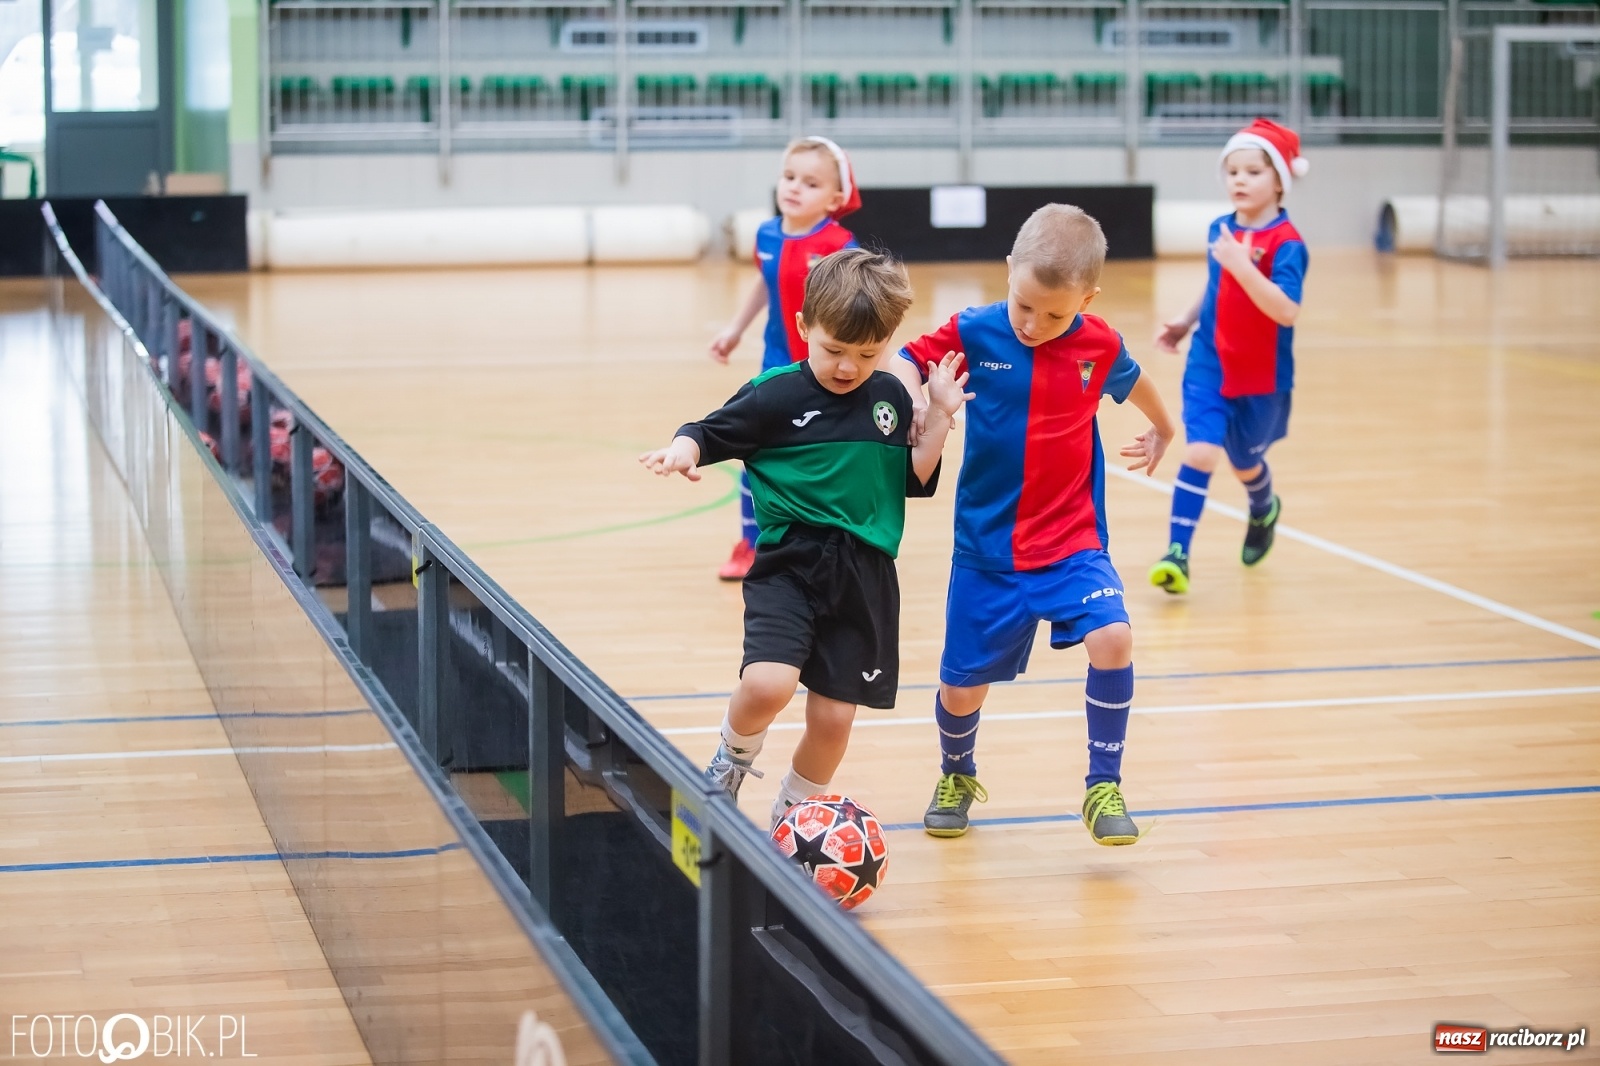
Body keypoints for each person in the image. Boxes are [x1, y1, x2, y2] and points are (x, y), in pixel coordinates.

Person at [644, 249, 971, 828]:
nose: (849, 366)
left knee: (835, 719)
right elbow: (706, 431)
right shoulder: (775, 394)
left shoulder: (891, 400)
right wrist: (682, 451)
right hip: (790, 565)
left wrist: (940, 417)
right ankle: (728, 762)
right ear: (803, 327)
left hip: (865, 577)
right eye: (834, 351)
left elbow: (915, 479)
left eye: (869, 354)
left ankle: (794, 819)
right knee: (768, 683)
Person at [890, 204, 1177, 845]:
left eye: (1055, 314)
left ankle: (1103, 785)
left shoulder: (1097, 344)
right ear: (1009, 272)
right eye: (1024, 306)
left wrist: (1165, 427)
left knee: (1114, 638)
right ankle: (956, 772)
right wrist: (914, 398)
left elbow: (1136, 381)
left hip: (1071, 542)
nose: (1034, 325)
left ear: (1089, 298)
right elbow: (908, 357)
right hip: (986, 551)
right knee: (962, 691)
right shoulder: (975, 331)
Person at [1149, 118, 1310, 594]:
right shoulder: (1220, 229)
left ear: (1280, 180)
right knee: (1200, 451)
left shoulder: (1287, 243)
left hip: (1262, 377)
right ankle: (1177, 554)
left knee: (1244, 463)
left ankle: (1263, 507)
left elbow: (1286, 311)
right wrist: (1184, 321)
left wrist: (1242, 266)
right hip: (1210, 363)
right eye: (1232, 171)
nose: (1239, 180)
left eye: (1253, 171)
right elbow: (1216, 287)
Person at [707, 136, 862, 581]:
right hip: (776, 365)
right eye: (789, 177)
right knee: (754, 452)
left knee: (827, 455)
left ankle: (836, 541)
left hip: (829, 372)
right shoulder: (766, 234)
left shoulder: (840, 244)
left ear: (835, 198)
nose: (795, 187)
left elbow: (861, 305)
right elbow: (765, 282)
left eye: (811, 183)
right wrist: (735, 330)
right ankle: (750, 545)